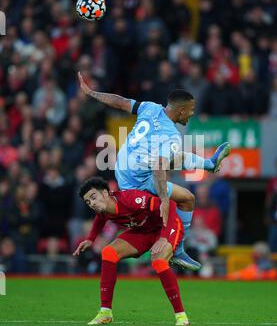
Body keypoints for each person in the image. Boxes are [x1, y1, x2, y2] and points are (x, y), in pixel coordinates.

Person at [78, 72, 231, 271]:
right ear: (182, 110)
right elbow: (159, 166)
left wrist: (92, 93)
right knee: (188, 199)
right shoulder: (172, 136)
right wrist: (165, 200)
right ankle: (178, 250)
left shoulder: (150, 108)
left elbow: (121, 102)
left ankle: (209, 164)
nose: (192, 113)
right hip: (138, 184)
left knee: (176, 158)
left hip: (124, 170)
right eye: (191, 110)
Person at [73, 177, 189, 326]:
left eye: (93, 197)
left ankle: (181, 316)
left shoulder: (130, 199)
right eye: (88, 202)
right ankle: (105, 312)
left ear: (105, 193)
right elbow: (100, 219)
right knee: (108, 252)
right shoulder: (103, 209)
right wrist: (91, 239)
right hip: (143, 231)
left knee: (158, 262)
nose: (92, 203)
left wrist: (164, 238)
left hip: (166, 226)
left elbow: (170, 205)